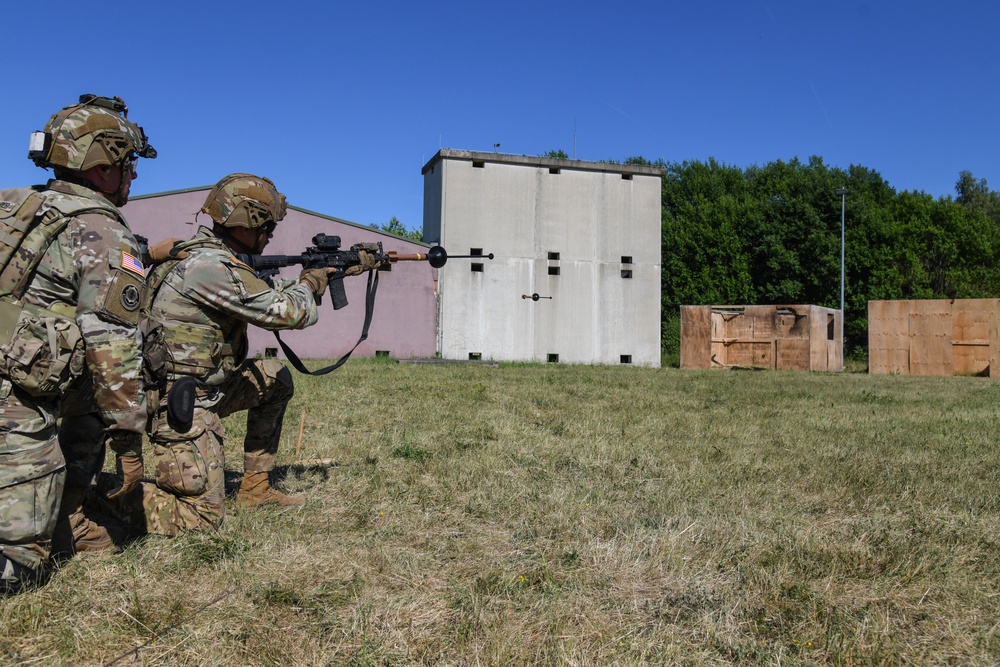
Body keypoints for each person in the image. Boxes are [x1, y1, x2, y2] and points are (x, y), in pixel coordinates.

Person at [115, 173, 378, 536]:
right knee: (202, 518)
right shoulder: (210, 267)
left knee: (274, 377)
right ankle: (105, 497)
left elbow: (265, 290)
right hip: (177, 405)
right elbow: (289, 312)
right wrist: (312, 281)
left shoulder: (212, 258)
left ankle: (255, 489)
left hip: (208, 389)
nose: (270, 233)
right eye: (267, 224)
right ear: (247, 221)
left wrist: (330, 271)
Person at [0, 95, 155, 594]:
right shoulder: (104, 231)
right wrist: (130, 442)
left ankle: (68, 516)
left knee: (85, 395)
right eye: (128, 164)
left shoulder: (12, 203)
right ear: (104, 164)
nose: (132, 177)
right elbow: (113, 346)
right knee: (18, 566)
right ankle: (58, 522)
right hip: (15, 402)